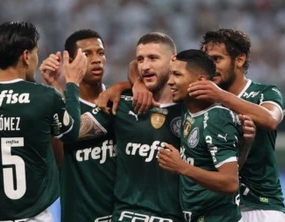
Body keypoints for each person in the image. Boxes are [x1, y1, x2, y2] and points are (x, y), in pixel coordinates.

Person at [0, 21, 87, 222]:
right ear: (26, 56)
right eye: (36, 52)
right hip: (32, 216)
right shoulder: (44, 97)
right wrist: (72, 83)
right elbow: (70, 132)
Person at [80, 32, 183, 221]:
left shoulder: (190, 110)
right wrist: (62, 84)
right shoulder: (122, 105)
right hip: (126, 216)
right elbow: (70, 131)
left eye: (153, 58)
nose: (145, 66)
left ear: (173, 60)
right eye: (140, 59)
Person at [188, 29, 285, 221]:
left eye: (217, 60)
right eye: (206, 61)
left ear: (239, 60)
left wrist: (221, 96)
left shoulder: (264, 92)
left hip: (260, 206)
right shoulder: (201, 101)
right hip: (216, 210)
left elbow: (270, 119)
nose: (210, 67)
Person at [158, 49, 247, 222]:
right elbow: (135, 70)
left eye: (177, 75)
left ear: (200, 81)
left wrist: (182, 167)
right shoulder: (187, 106)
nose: (170, 82)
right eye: (170, 74)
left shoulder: (216, 118)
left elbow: (230, 182)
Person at [39, 29, 116, 222]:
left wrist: (125, 85)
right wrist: (55, 87)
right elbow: (57, 159)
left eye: (100, 53)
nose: (97, 59)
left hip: (120, 215)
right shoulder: (60, 109)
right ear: (70, 63)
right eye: (87, 54)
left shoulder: (118, 102)